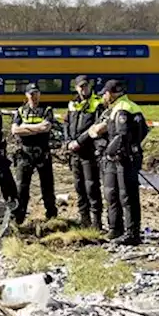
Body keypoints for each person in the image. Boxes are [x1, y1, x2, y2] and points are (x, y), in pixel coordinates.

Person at [79, 79, 148, 245]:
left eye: (106, 93)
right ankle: (115, 229)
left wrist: (110, 151)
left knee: (127, 196)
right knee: (111, 193)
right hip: (116, 158)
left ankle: (132, 233)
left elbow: (122, 136)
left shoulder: (123, 109)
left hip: (124, 159)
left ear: (112, 93)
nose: (104, 96)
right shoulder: (117, 108)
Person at [10, 83, 58, 223]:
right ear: (26, 95)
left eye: (36, 93)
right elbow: (15, 130)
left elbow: (47, 127)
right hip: (25, 153)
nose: (34, 97)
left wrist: (25, 127)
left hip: (43, 152)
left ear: (39, 94)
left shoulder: (46, 109)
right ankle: (19, 218)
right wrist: (37, 128)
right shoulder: (20, 111)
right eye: (31, 94)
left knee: (47, 186)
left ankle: (51, 216)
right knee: (22, 187)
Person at [64, 75, 105, 230]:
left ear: (90, 86)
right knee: (79, 187)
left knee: (92, 187)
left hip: (89, 151)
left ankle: (97, 223)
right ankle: (84, 220)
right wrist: (68, 142)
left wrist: (79, 142)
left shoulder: (97, 103)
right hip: (74, 152)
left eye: (85, 86)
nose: (83, 88)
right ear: (76, 88)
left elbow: (96, 127)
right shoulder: (72, 104)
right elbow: (66, 124)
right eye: (80, 86)